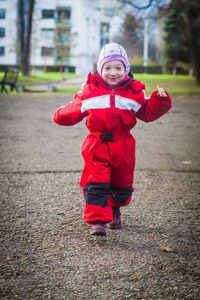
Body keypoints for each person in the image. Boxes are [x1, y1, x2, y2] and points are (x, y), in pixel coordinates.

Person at [53, 43, 172, 236]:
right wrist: (60, 115)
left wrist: (160, 101)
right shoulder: (90, 91)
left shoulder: (134, 93)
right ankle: (97, 220)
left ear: (126, 70)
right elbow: (74, 109)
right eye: (107, 68)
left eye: (118, 67)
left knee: (121, 183)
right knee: (96, 182)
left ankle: (114, 209)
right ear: (100, 69)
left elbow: (147, 112)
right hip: (97, 144)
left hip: (123, 144)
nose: (113, 72)